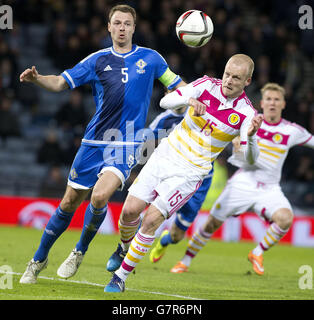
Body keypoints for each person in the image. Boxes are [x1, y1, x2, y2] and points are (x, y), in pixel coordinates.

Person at [19, 4, 184, 284]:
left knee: (99, 196)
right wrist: (37, 79)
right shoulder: (96, 60)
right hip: (94, 141)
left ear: (134, 27)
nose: (121, 28)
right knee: (69, 203)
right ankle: (38, 260)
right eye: (116, 23)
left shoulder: (151, 58)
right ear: (109, 27)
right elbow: (60, 83)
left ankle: (79, 251)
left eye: (127, 23)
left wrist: (191, 99)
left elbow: (177, 85)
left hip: (127, 142)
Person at [104, 53, 263, 292]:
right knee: (129, 211)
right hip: (165, 156)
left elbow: (250, 158)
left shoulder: (247, 113)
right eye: (227, 74)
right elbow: (164, 103)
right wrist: (187, 101)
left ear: (247, 81)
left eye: (236, 78)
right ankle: (123, 248)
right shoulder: (206, 85)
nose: (229, 80)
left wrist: (249, 138)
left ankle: (120, 277)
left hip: (190, 173)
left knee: (151, 220)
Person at [173, 82, 314, 276]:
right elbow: (231, 136)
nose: (272, 103)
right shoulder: (249, 120)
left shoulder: (292, 130)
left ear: (283, 104)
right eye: (269, 99)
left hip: (270, 188)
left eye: (277, 99)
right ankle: (185, 261)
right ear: (262, 103)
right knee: (211, 224)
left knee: (285, 219)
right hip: (243, 182)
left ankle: (257, 253)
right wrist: (237, 142)